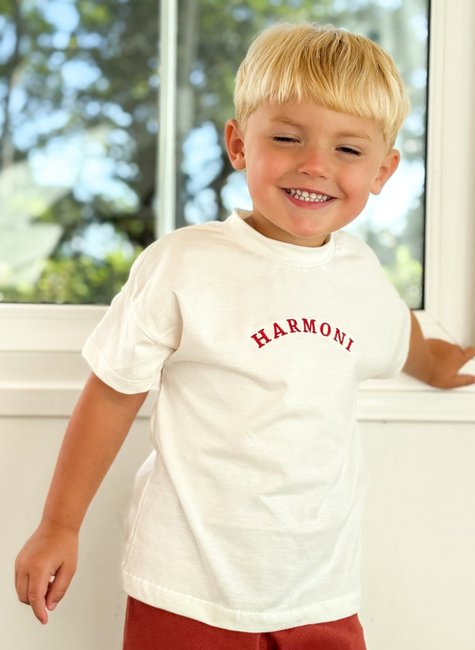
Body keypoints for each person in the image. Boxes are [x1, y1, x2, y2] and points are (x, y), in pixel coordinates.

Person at [15, 22, 475, 650]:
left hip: (319, 590)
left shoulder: (362, 276)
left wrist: (439, 364)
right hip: (186, 586)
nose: (314, 165)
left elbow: (402, 337)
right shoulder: (185, 264)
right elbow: (112, 393)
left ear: (383, 171)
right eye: (287, 138)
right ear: (238, 144)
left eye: (348, 149)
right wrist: (58, 525)